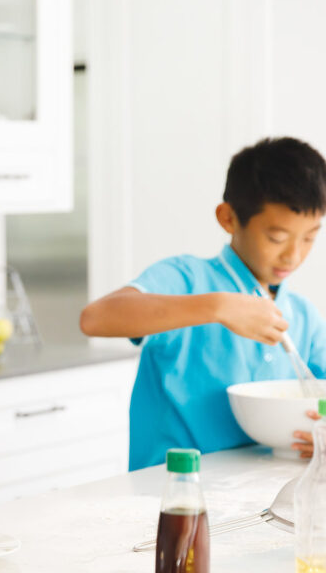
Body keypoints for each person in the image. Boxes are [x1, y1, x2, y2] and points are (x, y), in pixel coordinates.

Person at [80, 137, 326, 470]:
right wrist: (218, 307)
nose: (294, 255)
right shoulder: (187, 280)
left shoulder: (302, 315)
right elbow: (95, 319)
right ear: (228, 218)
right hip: (169, 497)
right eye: (276, 238)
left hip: (259, 499)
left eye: (310, 237)